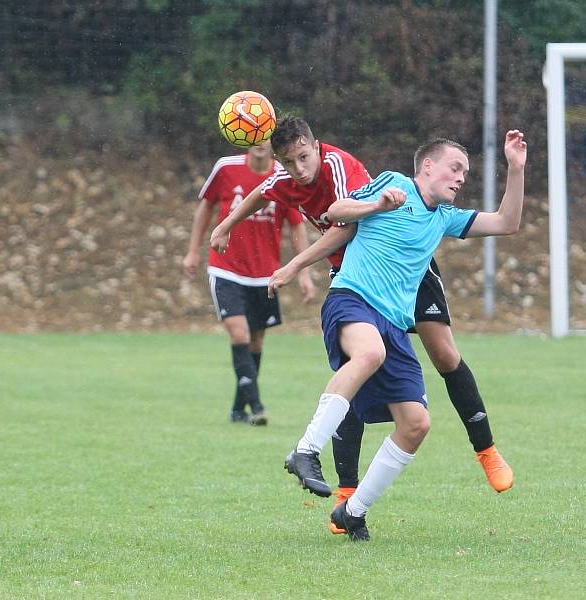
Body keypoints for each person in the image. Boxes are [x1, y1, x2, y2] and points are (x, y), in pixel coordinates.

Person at [211, 116, 514, 532]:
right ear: (426, 166)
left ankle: (357, 509)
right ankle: (317, 462)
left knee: (420, 413)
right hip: (353, 291)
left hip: (396, 302)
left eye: (304, 157)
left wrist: (516, 167)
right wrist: (233, 229)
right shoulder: (392, 184)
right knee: (365, 356)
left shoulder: (438, 214)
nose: (461, 178)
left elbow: (506, 223)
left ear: (316, 148)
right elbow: (334, 214)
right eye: (455, 168)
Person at [184, 141, 316, 425]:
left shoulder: (284, 174)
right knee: (240, 334)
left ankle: (237, 410)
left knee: (256, 341)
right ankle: (256, 406)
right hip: (226, 268)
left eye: (265, 135)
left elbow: (296, 224)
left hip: (265, 274)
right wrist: (194, 251)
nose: (259, 142)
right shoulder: (226, 168)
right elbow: (205, 208)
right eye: (253, 135)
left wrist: (303, 272)